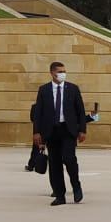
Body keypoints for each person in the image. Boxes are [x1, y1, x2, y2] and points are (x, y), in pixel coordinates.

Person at [32, 61, 88, 206]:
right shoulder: (43, 90)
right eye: (60, 71)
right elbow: (38, 113)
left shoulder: (73, 89)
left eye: (64, 71)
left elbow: (80, 111)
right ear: (52, 73)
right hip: (51, 131)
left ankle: (76, 186)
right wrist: (37, 132)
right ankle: (60, 195)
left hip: (68, 130)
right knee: (55, 163)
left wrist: (82, 130)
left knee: (69, 159)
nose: (63, 74)